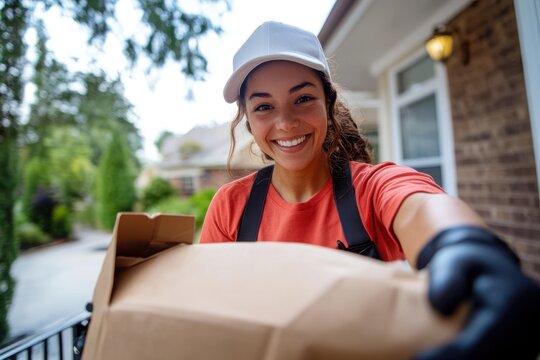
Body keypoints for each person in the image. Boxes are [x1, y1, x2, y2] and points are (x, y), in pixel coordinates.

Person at [200, 21, 540, 359]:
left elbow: (421, 206)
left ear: (327, 103)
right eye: (264, 106)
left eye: (303, 98)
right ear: (247, 119)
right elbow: (208, 314)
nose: (286, 122)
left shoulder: (372, 187)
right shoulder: (231, 207)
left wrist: (463, 243)